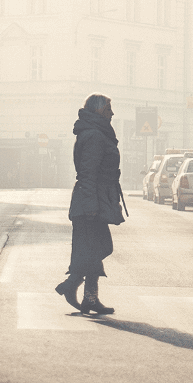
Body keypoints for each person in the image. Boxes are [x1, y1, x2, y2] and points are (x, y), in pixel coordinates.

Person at [55, 92, 127, 315]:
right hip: (90, 202)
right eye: (108, 109)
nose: (112, 113)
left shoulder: (96, 132)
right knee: (98, 248)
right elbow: (88, 173)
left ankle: (87, 295)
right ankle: (77, 288)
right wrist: (90, 206)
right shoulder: (95, 135)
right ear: (98, 110)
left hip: (95, 200)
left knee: (94, 249)